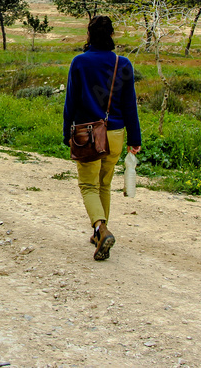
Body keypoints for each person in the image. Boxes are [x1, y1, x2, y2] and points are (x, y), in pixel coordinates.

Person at [62, 15, 141, 261]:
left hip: (88, 134)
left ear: (89, 35)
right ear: (111, 36)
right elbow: (130, 105)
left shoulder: (79, 63)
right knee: (104, 184)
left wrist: (67, 133)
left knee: (88, 186)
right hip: (116, 134)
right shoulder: (123, 64)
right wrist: (135, 137)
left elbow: (71, 102)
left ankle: (100, 228)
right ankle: (99, 234)